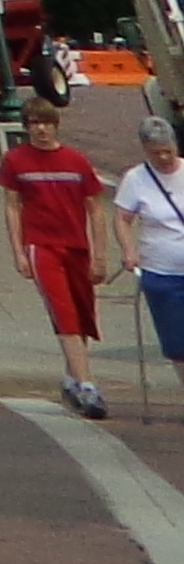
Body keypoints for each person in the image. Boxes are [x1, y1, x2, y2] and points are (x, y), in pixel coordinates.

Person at [0, 109, 117, 420]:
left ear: (56, 126)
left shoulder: (76, 162)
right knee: (63, 312)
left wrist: (100, 254)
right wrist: (19, 252)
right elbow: (11, 207)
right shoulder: (16, 161)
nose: (42, 130)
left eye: (47, 124)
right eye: (35, 124)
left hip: (77, 246)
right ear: (27, 128)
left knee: (82, 312)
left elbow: (95, 209)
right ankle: (87, 385)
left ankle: (72, 377)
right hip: (41, 245)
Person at [116, 119, 184, 376]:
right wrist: (128, 250)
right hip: (162, 273)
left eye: (169, 150)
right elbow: (122, 218)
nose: (165, 157)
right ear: (146, 149)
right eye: (157, 153)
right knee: (178, 345)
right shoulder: (136, 179)